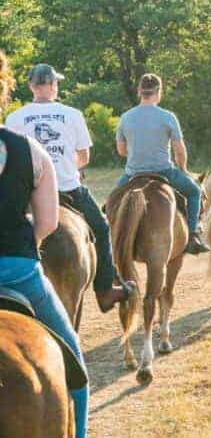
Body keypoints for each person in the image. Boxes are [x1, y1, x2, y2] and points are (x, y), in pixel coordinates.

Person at [0, 51, 90, 437]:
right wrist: (24, 248)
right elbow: (49, 223)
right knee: (75, 369)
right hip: (20, 272)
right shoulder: (29, 151)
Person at [4, 64, 136, 312]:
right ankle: (106, 289)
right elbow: (83, 157)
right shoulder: (72, 114)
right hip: (68, 189)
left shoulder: (14, 117)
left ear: (32, 86)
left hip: (26, 193)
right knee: (101, 226)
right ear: (54, 85)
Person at [114, 73, 209, 255]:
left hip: (133, 174)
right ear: (158, 92)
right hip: (164, 172)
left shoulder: (125, 117)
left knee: (110, 202)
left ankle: (112, 245)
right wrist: (183, 169)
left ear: (139, 92)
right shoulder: (168, 116)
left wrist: (135, 154)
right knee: (194, 192)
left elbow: (121, 150)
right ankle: (192, 235)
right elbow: (179, 150)